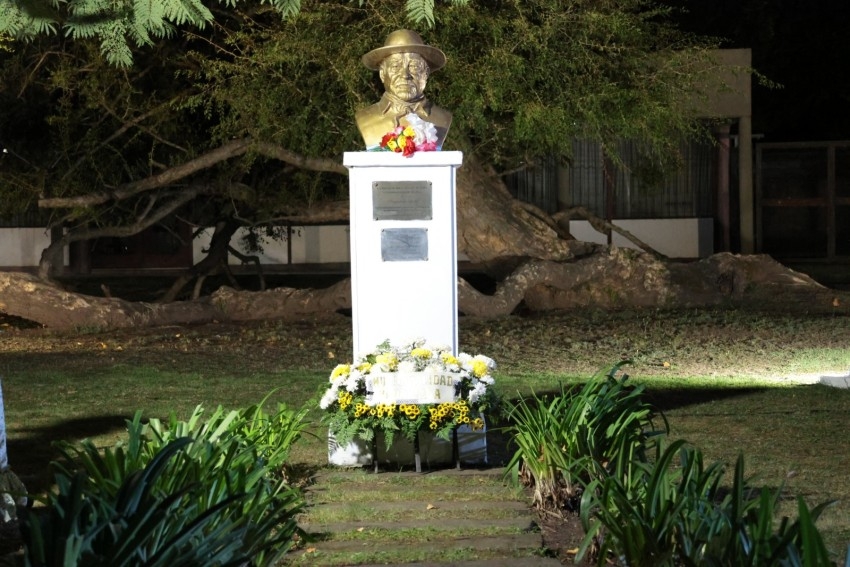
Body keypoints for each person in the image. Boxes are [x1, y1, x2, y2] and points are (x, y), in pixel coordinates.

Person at [355, 29, 452, 150]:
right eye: (395, 66)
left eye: (414, 66)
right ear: (382, 74)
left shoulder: (443, 118)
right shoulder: (365, 118)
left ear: (426, 74)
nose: (405, 75)